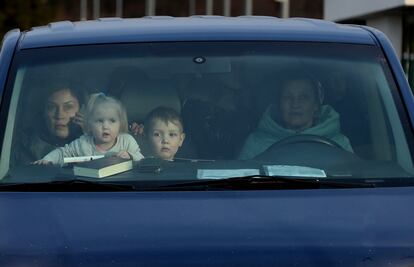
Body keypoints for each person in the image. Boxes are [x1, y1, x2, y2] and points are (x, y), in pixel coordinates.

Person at [238, 72, 353, 160]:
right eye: (288, 97)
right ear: (280, 104)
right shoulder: (256, 143)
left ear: (316, 106)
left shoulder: (340, 143)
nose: (295, 104)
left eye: (303, 97)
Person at [33, 93, 144, 166]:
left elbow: (142, 161)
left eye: (112, 121)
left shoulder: (127, 141)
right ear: (90, 124)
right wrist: (47, 160)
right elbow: (62, 153)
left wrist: (130, 156)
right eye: (100, 121)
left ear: (121, 124)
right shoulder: (83, 143)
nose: (105, 126)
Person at [12, 81, 86, 164]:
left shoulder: (97, 142)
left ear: (82, 110)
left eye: (68, 107)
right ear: (44, 113)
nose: (59, 115)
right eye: (52, 107)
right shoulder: (24, 148)